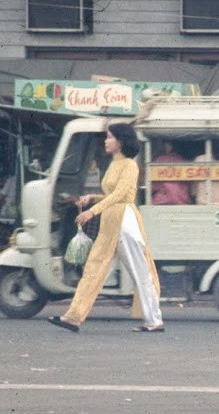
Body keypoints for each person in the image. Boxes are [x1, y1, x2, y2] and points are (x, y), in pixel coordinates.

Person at [49, 123, 164, 333]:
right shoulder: (114, 163)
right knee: (93, 269)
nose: (106, 141)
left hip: (125, 221)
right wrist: (92, 198)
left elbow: (121, 195)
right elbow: (112, 194)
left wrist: (92, 212)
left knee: (141, 273)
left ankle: (154, 320)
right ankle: (73, 317)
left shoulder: (129, 165)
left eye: (109, 137)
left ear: (120, 142)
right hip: (110, 222)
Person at [149, 140, 192, 206]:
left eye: (165, 144)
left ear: (170, 146)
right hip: (182, 201)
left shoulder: (160, 160)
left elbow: (153, 186)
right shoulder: (185, 161)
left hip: (162, 201)